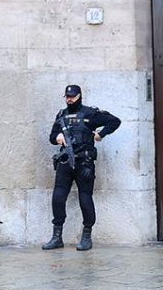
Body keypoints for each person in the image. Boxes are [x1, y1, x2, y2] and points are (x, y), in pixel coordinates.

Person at [42, 84, 121, 251]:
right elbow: (51, 137)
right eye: (67, 96)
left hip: (84, 163)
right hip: (65, 162)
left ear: (79, 96)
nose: (69, 99)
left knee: (85, 198)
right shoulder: (61, 115)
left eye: (72, 96)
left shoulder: (90, 113)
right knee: (57, 198)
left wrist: (101, 134)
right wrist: (58, 136)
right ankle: (57, 237)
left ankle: (86, 236)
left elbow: (114, 121)